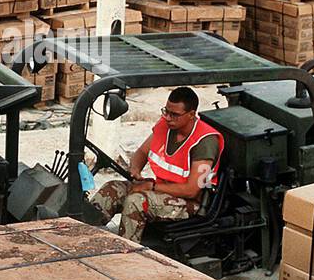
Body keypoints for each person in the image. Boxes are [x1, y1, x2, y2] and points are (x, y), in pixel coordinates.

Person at [86, 87, 224, 243]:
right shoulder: (166, 126)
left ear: (191, 115)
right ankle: (82, 237)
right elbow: (142, 153)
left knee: (136, 201)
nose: (168, 118)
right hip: (160, 189)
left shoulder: (204, 142)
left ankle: (126, 253)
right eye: (166, 111)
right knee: (111, 190)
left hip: (189, 203)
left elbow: (192, 190)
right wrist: (135, 170)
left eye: (174, 115)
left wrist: (150, 187)